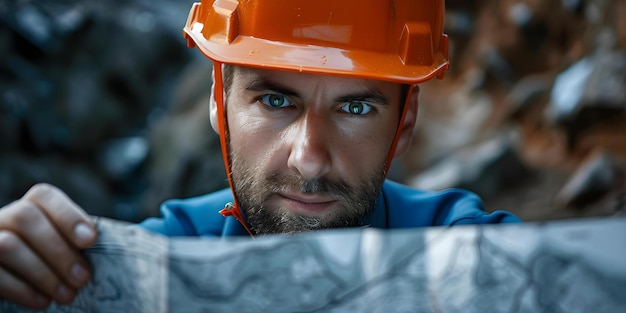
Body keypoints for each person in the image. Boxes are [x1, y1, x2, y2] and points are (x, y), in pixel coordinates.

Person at [0, 0, 520, 310]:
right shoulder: (165, 255)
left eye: (356, 107)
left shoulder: (466, 245)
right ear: (217, 103)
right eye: (274, 100)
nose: (309, 160)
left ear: (403, 125)